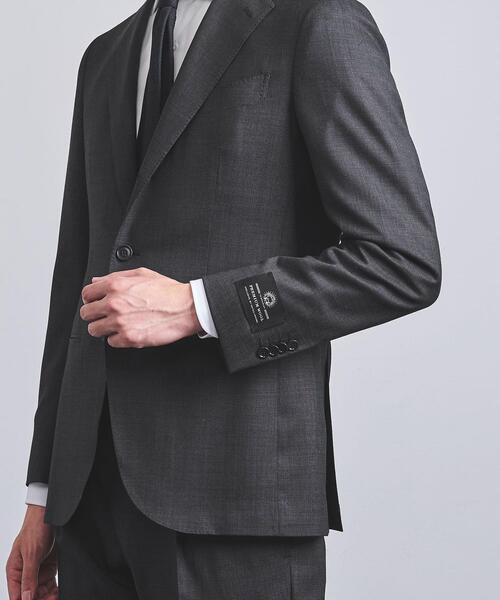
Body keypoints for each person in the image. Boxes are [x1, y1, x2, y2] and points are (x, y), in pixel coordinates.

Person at [6, 0, 441, 598]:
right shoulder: (104, 57)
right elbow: (73, 287)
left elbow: (401, 260)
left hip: (234, 492)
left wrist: (199, 306)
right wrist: (43, 493)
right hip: (88, 504)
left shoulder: (316, 21)